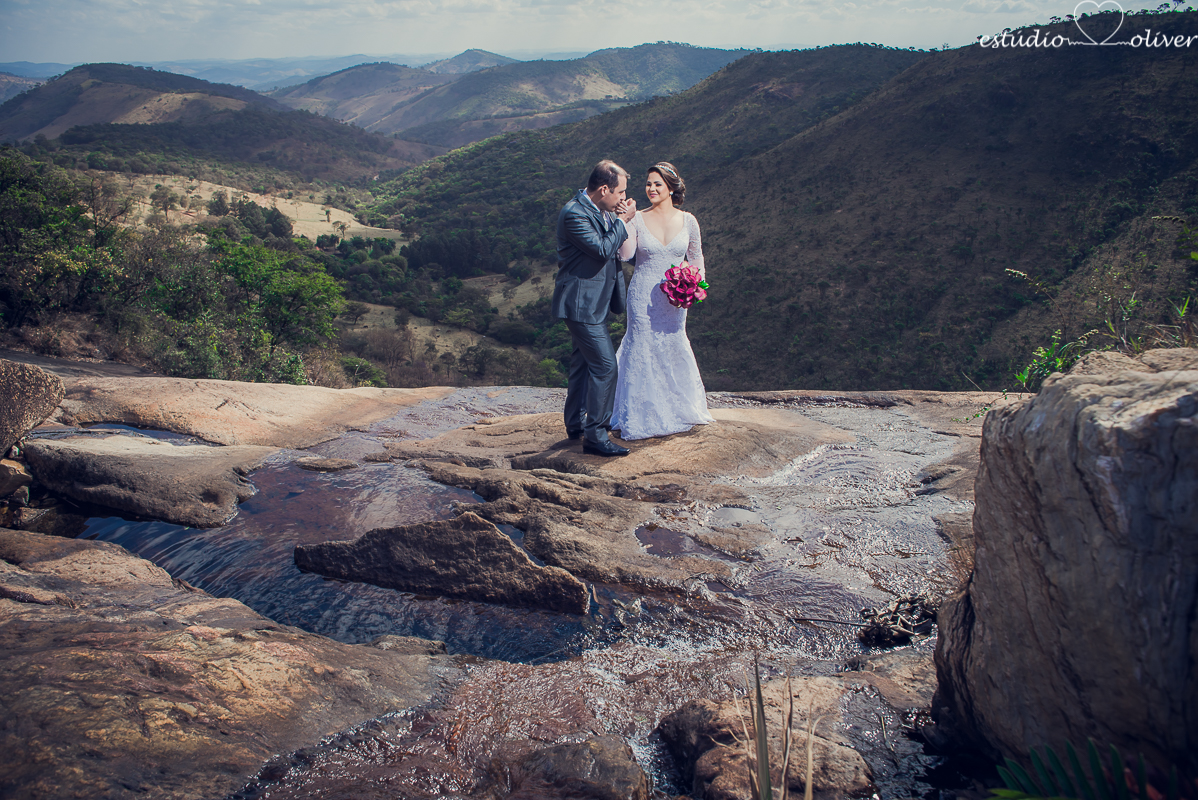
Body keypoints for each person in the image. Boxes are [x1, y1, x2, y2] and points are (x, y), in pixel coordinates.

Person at [610, 162, 714, 440]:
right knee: (642, 345)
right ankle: (642, 413)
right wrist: (625, 222)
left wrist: (695, 287)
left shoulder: (689, 220)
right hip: (644, 294)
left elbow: (697, 258)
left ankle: (677, 408)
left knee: (673, 342)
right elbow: (625, 254)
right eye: (648, 184)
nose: (651, 189)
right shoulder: (638, 218)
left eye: (657, 184)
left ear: (671, 187)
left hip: (676, 299)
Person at [551, 160, 638, 457]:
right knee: (605, 366)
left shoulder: (596, 208)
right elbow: (602, 249)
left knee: (582, 364)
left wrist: (614, 216)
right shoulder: (574, 213)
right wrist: (623, 222)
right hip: (581, 304)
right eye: (620, 192)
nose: (623, 199)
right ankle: (596, 436)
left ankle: (576, 424)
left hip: (592, 302)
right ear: (604, 189)